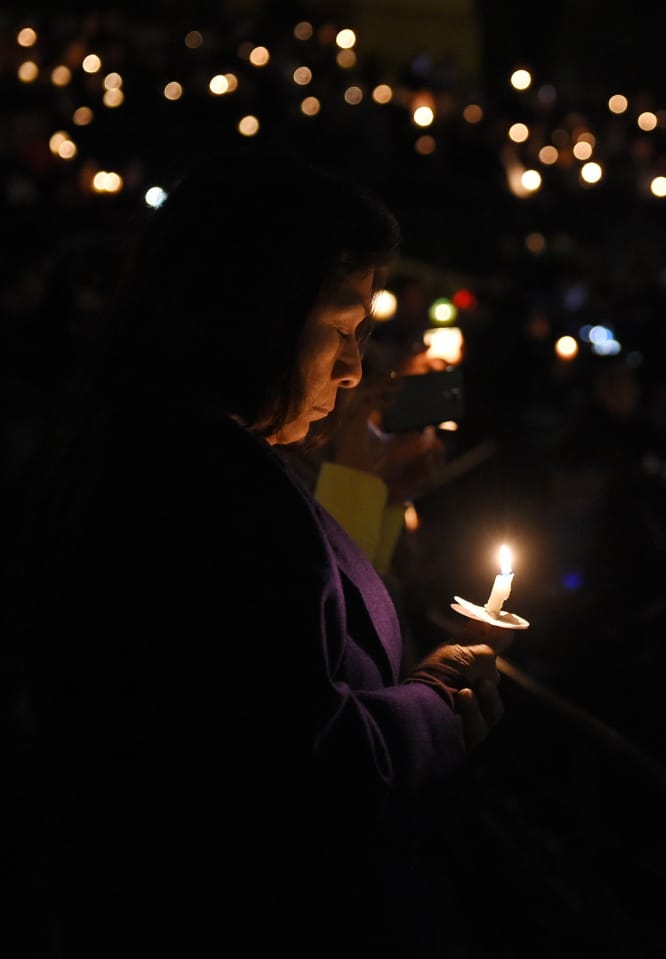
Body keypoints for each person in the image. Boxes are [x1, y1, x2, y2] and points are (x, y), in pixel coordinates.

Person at [2, 149, 508, 957]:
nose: (353, 370)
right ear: (255, 310)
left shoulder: (141, 439)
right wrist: (433, 712)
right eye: (341, 330)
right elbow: (291, 765)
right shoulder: (206, 485)